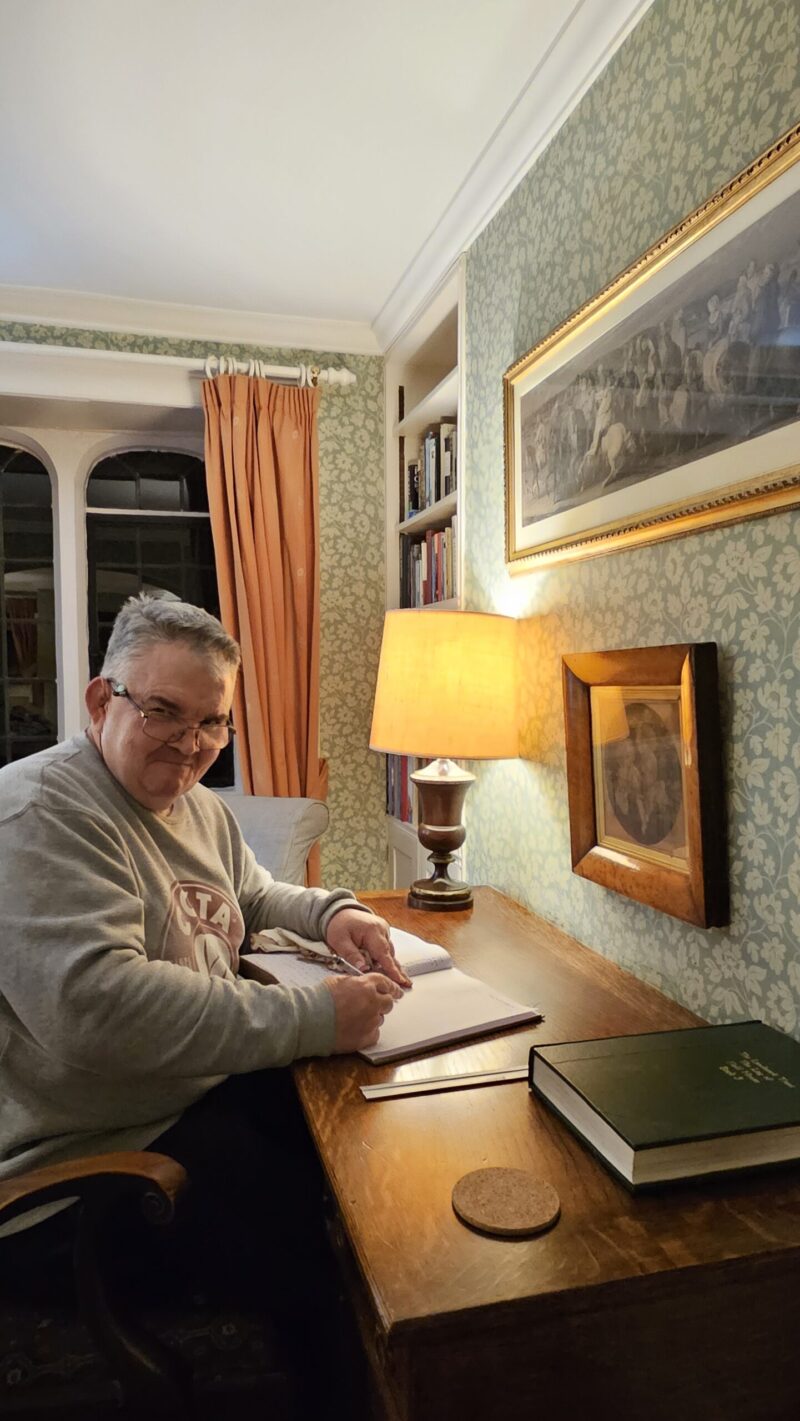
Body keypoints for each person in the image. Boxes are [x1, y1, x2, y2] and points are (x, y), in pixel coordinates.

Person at [0, 594, 407, 1406]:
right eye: (163, 712)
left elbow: (251, 896)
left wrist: (338, 911)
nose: (190, 746)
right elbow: (98, 1010)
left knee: (364, 1143)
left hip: (176, 1098)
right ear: (99, 700)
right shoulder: (39, 811)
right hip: (76, 1171)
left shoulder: (196, 806)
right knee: (322, 1251)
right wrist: (317, 1015)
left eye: (212, 723)